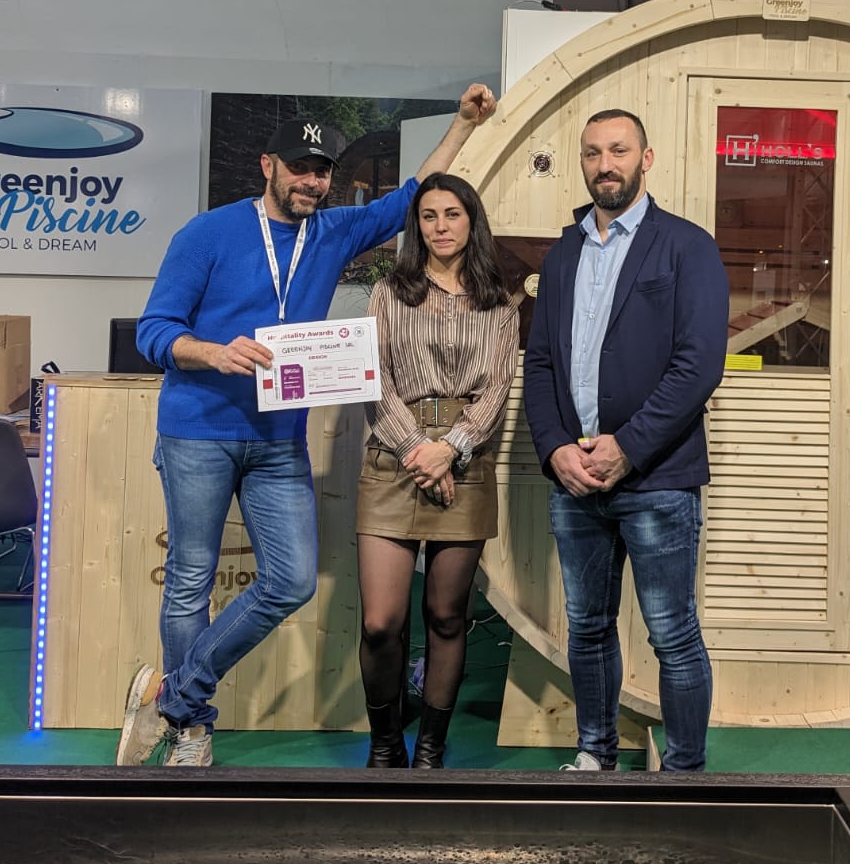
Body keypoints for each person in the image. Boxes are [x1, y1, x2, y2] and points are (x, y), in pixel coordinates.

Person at [116, 86, 496, 769]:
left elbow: (411, 197)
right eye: (299, 168)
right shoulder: (206, 234)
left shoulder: (332, 230)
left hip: (276, 441)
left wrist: (464, 124)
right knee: (190, 581)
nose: (311, 182)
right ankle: (192, 729)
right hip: (197, 430)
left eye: (321, 171)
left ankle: (171, 694)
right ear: (269, 166)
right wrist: (213, 353)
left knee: (290, 582)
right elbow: (154, 332)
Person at [522, 108, 729, 773]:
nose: (604, 164)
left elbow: (699, 364)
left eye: (618, 150)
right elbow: (541, 363)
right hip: (574, 477)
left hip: (657, 478)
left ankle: (686, 774)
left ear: (646, 158)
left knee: (672, 632)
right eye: (592, 153)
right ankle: (596, 756)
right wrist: (555, 447)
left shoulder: (687, 246)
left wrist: (629, 446)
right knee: (586, 626)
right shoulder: (564, 253)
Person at [356, 173, 517, 769]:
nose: (440, 226)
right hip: (391, 460)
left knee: (448, 617)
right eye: (429, 216)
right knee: (381, 622)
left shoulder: (498, 303)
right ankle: (384, 748)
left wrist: (449, 449)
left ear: (471, 222)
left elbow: (497, 389)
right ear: (416, 225)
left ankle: (429, 752)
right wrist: (415, 450)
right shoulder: (388, 293)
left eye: (452, 214)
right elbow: (374, 380)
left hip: (463, 464)